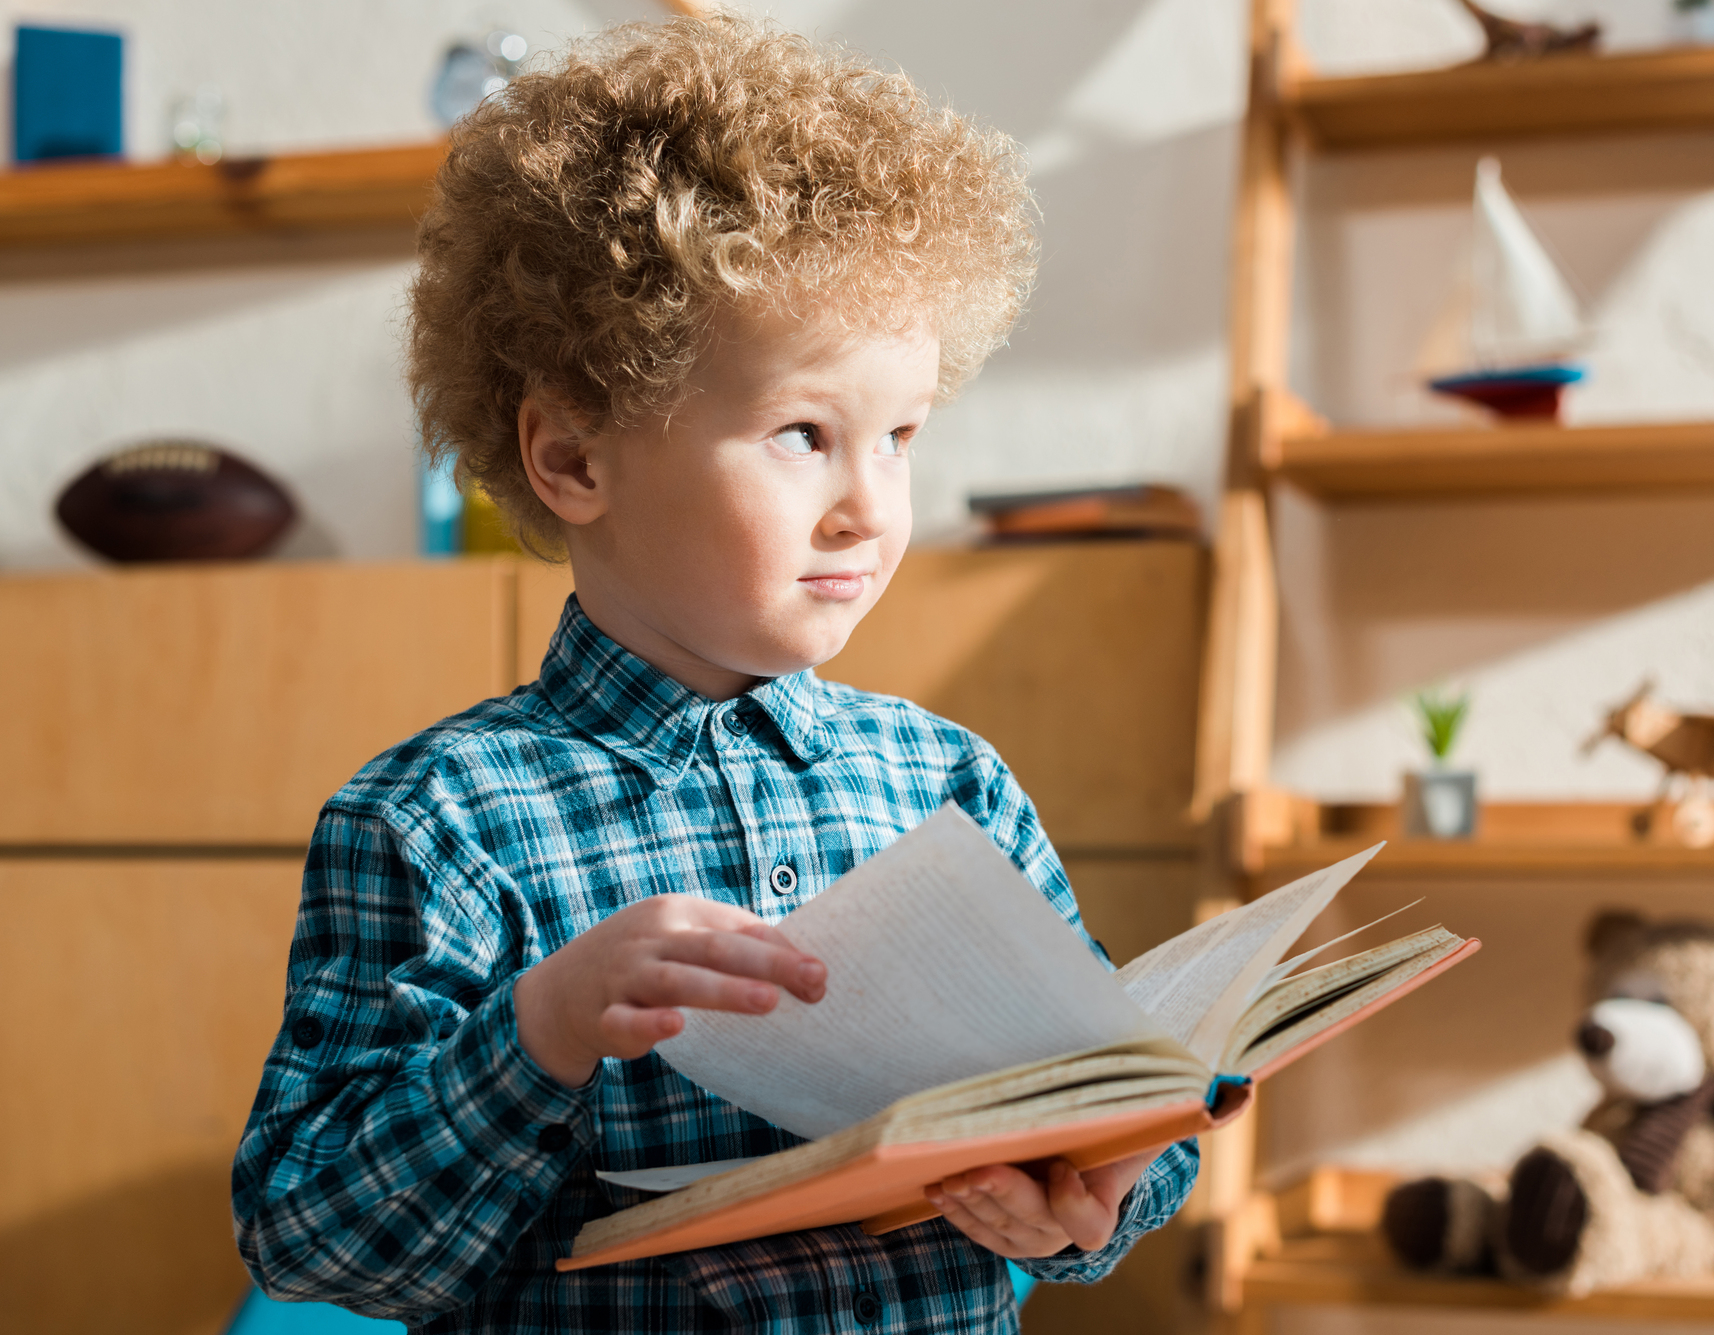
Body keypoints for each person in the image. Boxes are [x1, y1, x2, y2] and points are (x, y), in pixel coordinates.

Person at [231, 16, 1197, 1333]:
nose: (872, 507)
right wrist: (543, 1032)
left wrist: (1091, 1201)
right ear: (575, 459)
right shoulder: (434, 819)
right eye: (806, 434)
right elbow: (312, 1242)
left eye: (900, 435)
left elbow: (1119, 1122)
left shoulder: (948, 780)